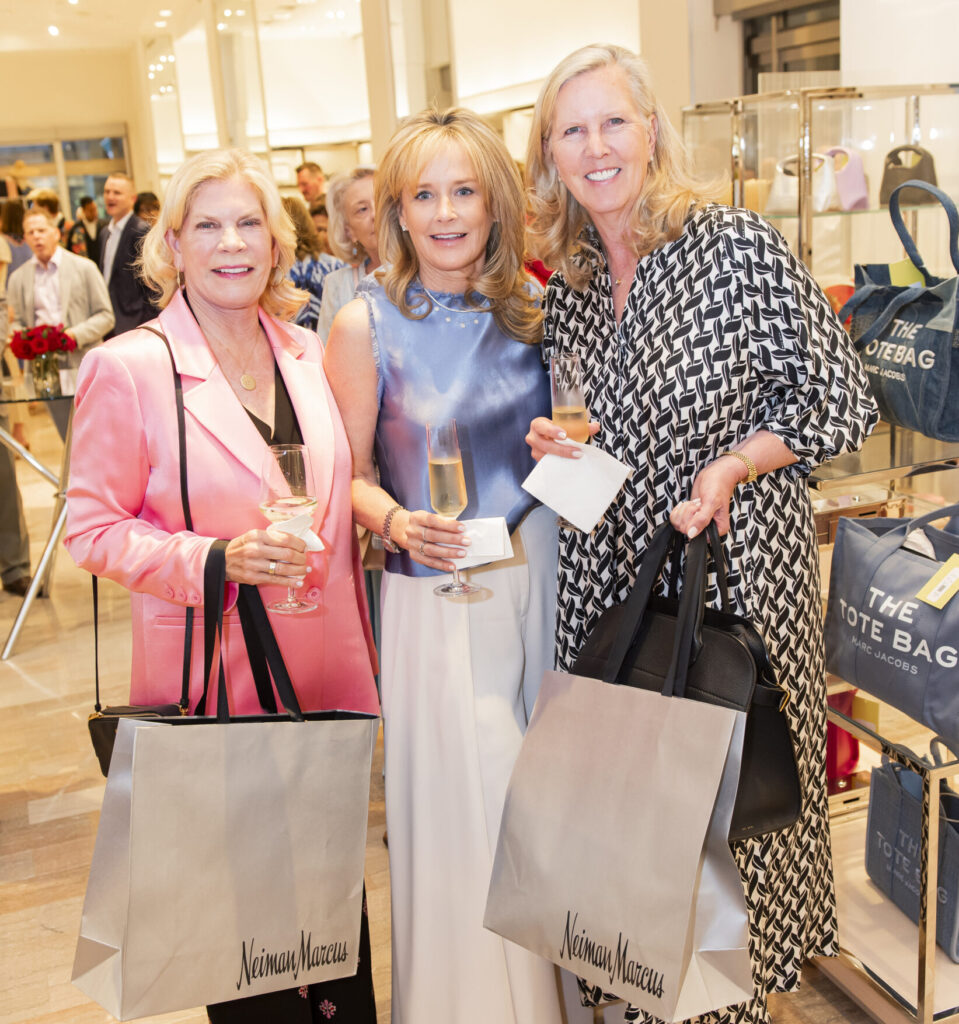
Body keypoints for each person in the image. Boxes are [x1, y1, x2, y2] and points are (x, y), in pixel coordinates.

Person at [524, 44, 879, 1024]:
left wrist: (733, 463)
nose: (595, 147)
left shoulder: (732, 248)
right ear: (549, 153)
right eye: (571, 130)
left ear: (651, 132)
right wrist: (559, 448)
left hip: (733, 591)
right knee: (633, 842)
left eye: (613, 122)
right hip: (616, 590)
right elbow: (603, 447)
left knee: (725, 838)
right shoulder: (572, 284)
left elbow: (840, 401)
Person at [64, 148, 379, 1024]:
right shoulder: (131, 366)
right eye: (207, 225)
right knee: (247, 956)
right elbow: (91, 528)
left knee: (332, 936)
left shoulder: (308, 353)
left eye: (249, 224)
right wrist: (213, 558)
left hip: (321, 685)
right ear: (172, 244)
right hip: (215, 689)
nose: (231, 243)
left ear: (277, 243)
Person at [325, 107, 563, 1024]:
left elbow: (572, 454)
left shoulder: (537, 313)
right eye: (423, 195)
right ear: (396, 210)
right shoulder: (365, 324)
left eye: (464, 191)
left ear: (495, 203)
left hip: (540, 581)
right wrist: (395, 520)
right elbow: (342, 478)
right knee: (472, 806)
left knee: (538, 802)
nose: (446, 213)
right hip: (436, 592)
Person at [8, 207, 114, 438]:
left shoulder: (84, 268)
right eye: (30, 232)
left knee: (96, 436)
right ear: (25, 238)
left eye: (41, 230)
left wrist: (74, 335)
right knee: (66, 437)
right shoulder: (18, 278)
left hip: (83, 363)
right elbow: (15, 323)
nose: (37, 236)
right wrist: (28, 338)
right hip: (45, 372)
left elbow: (106, 316)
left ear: (56, 233)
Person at [316, 167, 380, 344]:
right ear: (349, 231)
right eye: (362, 209)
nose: (375, 214)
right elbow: (327, 353)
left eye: (382, 201)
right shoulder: (338, 285)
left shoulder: (431, 272)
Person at [100, 172, 155, 336]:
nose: (110, 197)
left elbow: (153, 284)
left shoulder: (140, 231)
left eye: (117, 193)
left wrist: (146, 325)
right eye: (107, 191)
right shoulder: (105, 232)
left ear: (132, 199)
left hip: (135, 322)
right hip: (111, 322)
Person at [281, 195, 344, 333]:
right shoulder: (337, 266)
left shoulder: (277, 271)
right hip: (331, 342)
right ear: (309, 224)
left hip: (287, 343)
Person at [66, 195, 107, 263]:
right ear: (84, 211)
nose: (94, 213)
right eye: (91, 210)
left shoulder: (104, 226)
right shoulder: (77, 229)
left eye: (95, 209)